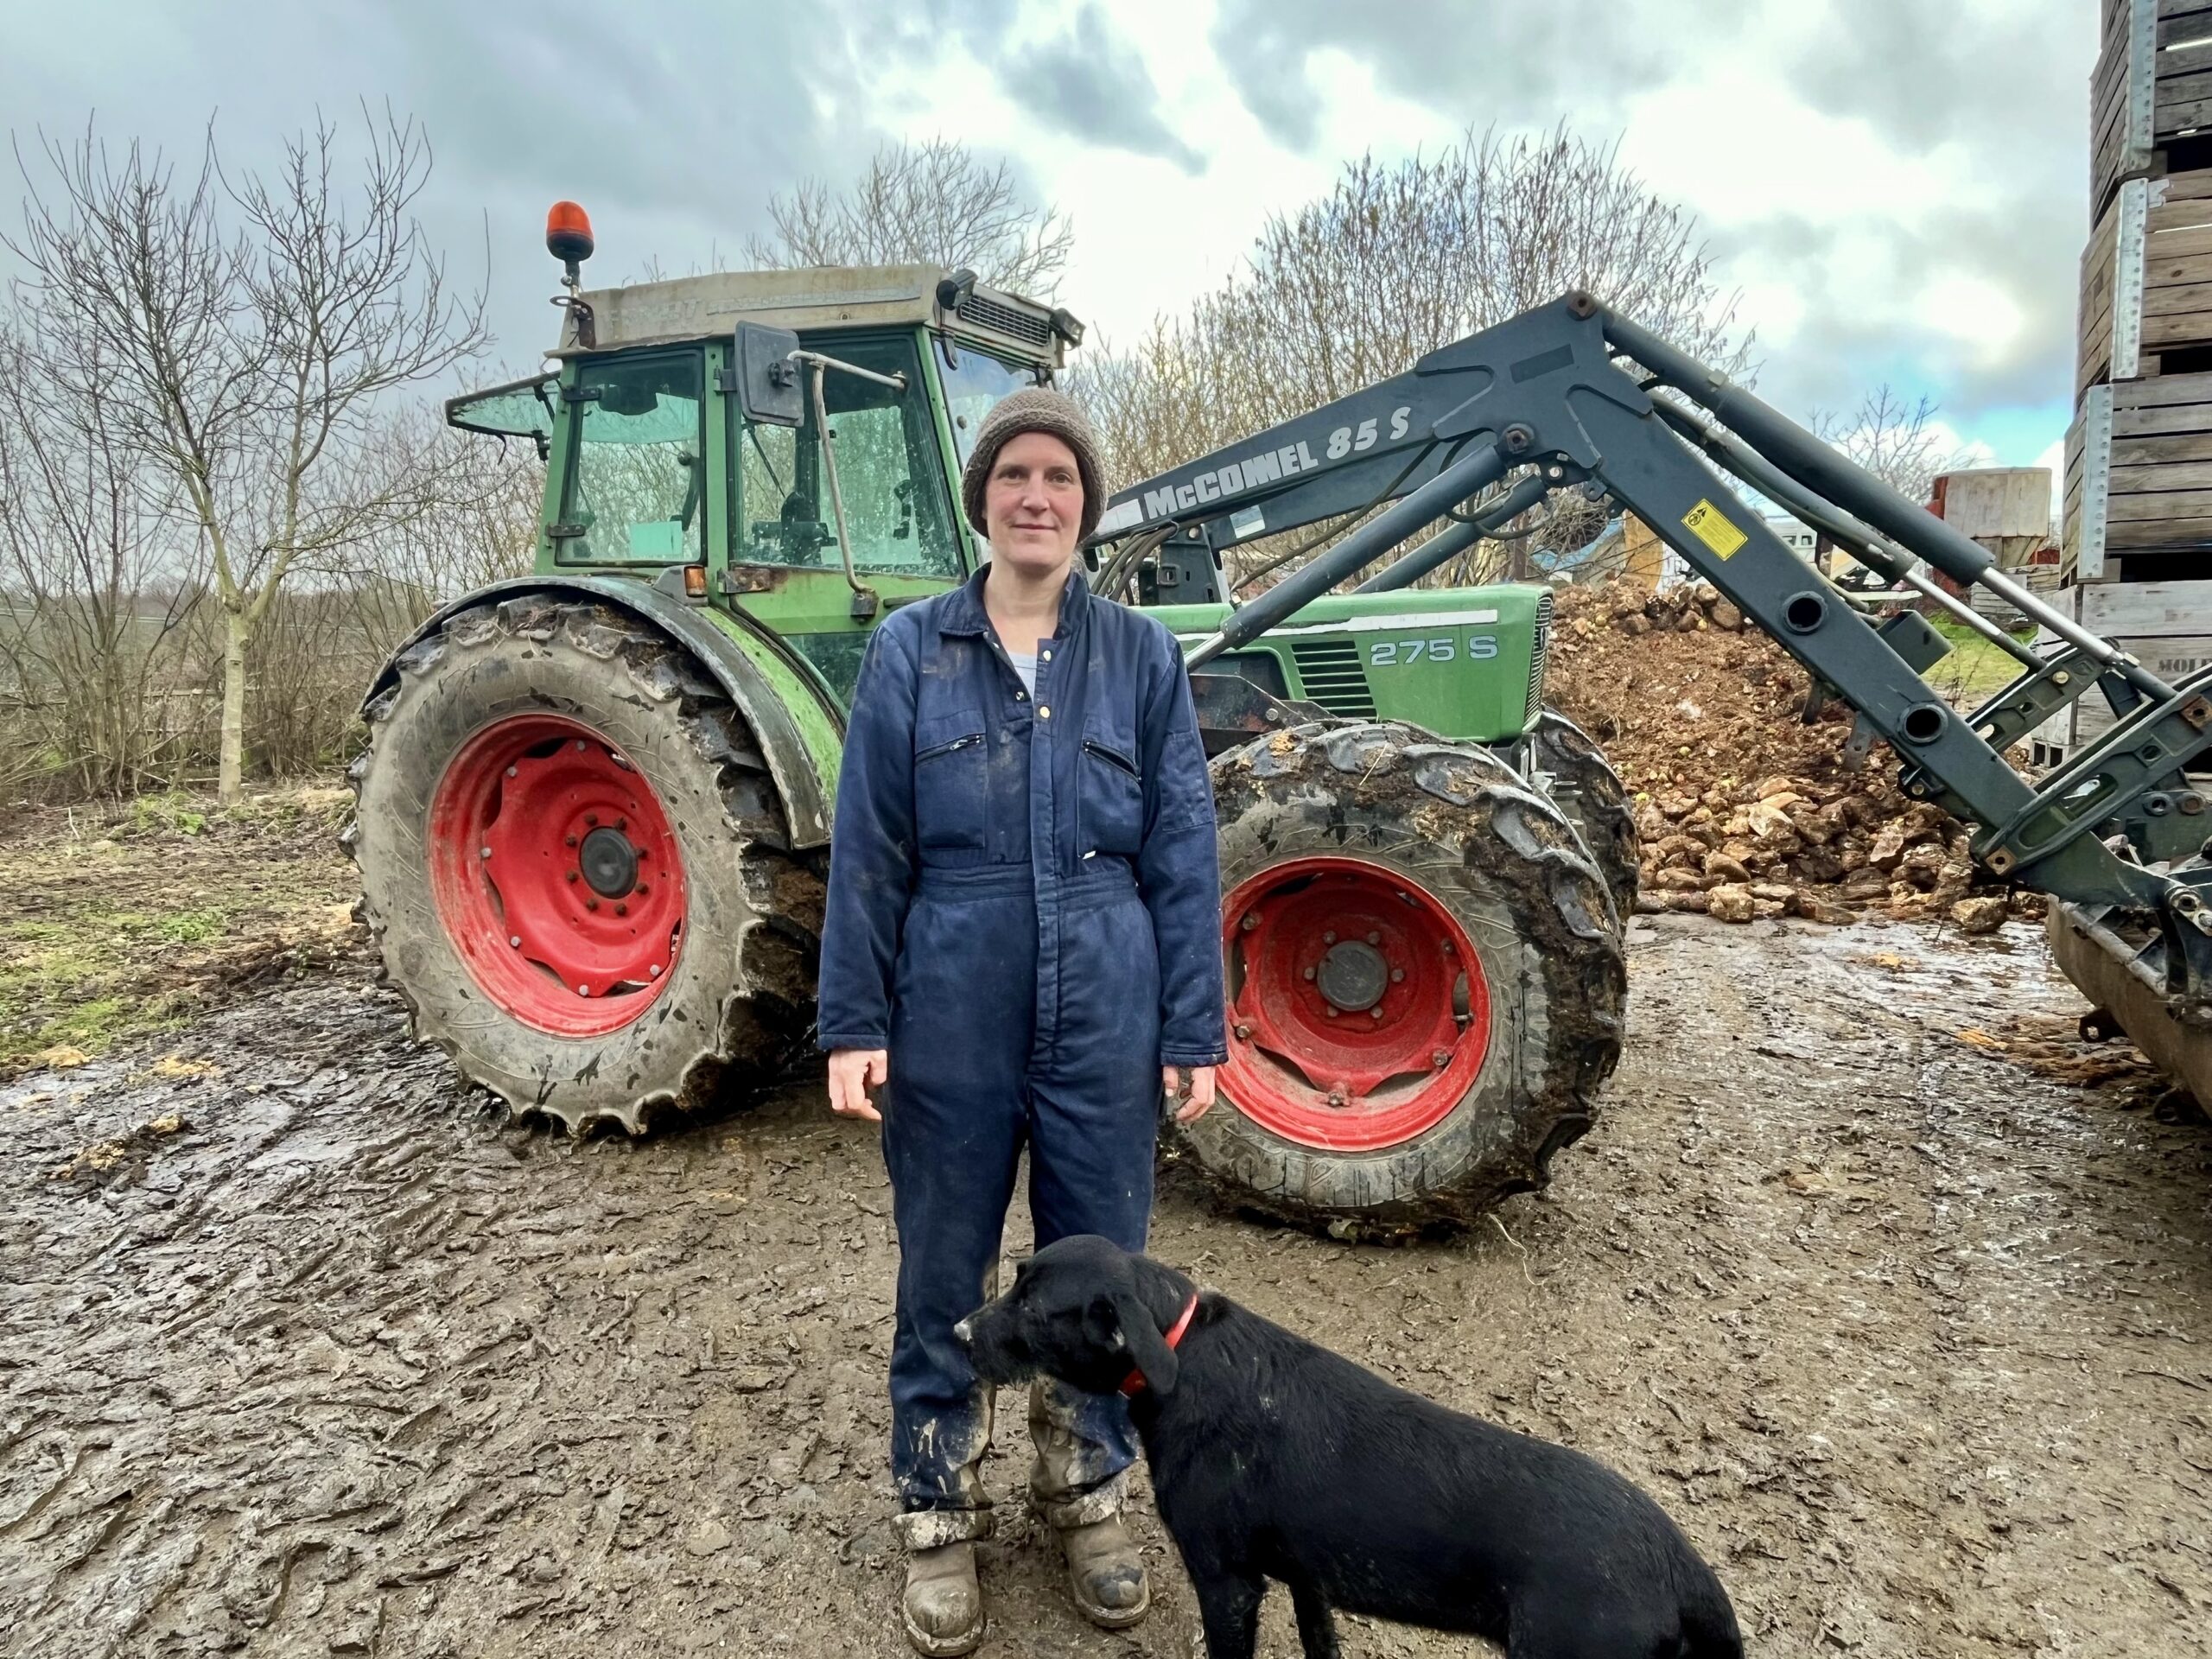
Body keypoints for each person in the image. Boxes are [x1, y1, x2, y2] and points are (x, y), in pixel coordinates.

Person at [816, 388, 1228, 1657]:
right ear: (983, 500)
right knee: (943, 1262)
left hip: (1107, 992)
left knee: (1101, 1270)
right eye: (1014, 476)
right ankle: (936, 1506)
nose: (1036, 496)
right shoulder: (909, 652)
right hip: (952, 989)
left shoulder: (1143, 657)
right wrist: (853, 1018)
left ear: (1085, 506)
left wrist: (1192, 1030)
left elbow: (1183, 848)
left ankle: (1089, 1496)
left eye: (1059, 477)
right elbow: (871, 850)